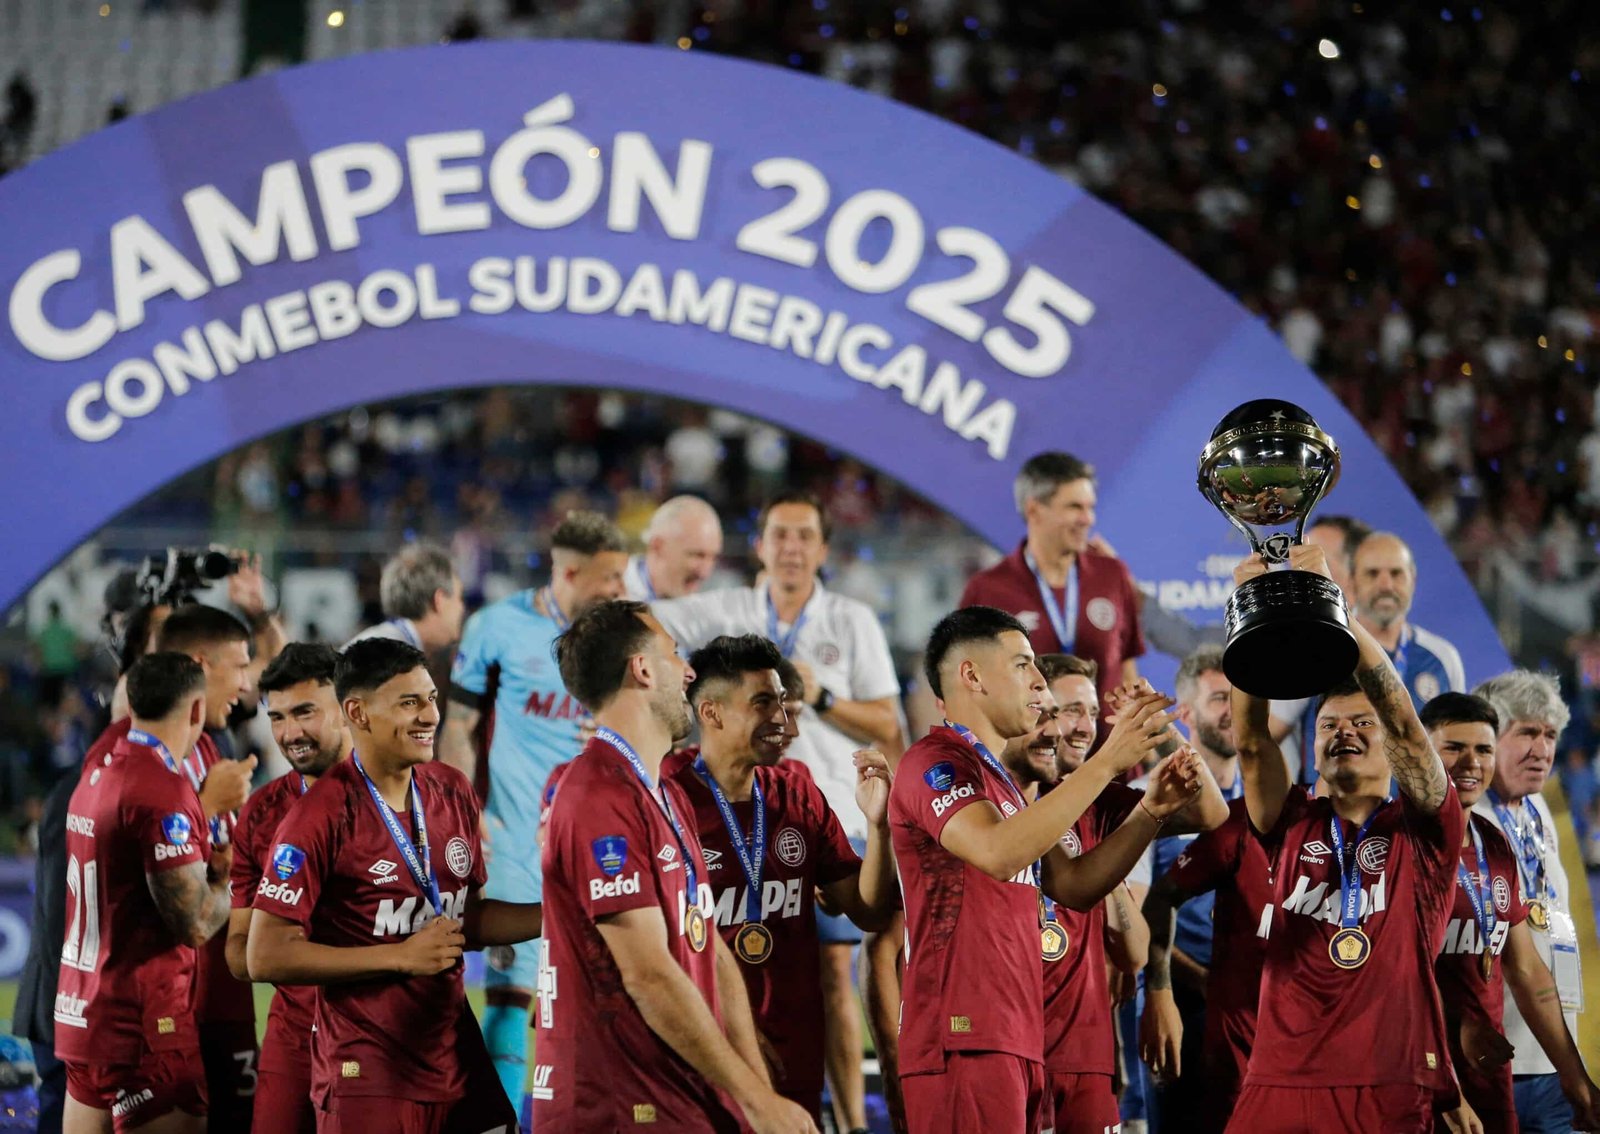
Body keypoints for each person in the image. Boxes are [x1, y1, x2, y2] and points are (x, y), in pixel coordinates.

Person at [889, 606, 1207, 1134]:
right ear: (972, 676)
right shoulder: (933, 761)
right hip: (961, 1036)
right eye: (1023, 664)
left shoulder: (1005, 785)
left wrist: (1150, 811)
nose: (1038, 680)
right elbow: (996, 852)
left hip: (1018, 1037)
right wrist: (1107, 761)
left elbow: (1074, 886)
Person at [652, 489, 902, 1134]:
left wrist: (878, 826)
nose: (786, 721)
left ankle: (853, 1121)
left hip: (795, 1050)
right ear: (710, 713)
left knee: (839, 973)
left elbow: (869, 910)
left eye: (786, 705)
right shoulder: (665, 795)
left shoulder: (798, 791)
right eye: (765, 705)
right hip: (703, 1059)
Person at [535, 599, 814, 1133]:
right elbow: (648, 974)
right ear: (642, 669)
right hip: (616, 1106)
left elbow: (710, 949)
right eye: (674, 654)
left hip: (675, 1099)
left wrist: (758, 1095)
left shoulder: (665, 793)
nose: (688, 672)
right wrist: (756, 1102)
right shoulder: (598, 795)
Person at [245, 638, 537, 1134]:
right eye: (409, 703)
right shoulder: (319, 817)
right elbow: (264, 954)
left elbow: (466, 919)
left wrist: (558, 913)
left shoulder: (451, 789)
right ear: (358, 713)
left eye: (431, 699)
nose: (430, 715)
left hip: (454, 1053)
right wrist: (399, 956)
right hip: (369, 1069)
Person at [1226, 543, 1463, 1133]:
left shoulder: (1426, 830)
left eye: (1361, 724)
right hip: (1278, 1078)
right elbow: (1251, 741)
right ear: (1312, 746)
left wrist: (1335, 608)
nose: (1344, 733)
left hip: (1388, 1080)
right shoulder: (1290, 818)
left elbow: (1404, 722)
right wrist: (1248, 610)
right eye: (1328, 724)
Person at [437, 509, 628, 1104]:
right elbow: (459, 727)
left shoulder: (625, 636)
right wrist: (464, 811)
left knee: (610, 996)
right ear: (568, 573)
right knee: (509, 995)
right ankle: (503, 1118)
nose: (619, 588)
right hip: (517, 839)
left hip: (601, 843)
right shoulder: (497, 627)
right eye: (609, 577)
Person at [1008, 656, 1228, 1134]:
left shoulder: (1100, 806)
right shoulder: (995, 803)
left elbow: (1209, 812)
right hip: (1007, 1049)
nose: (1084, 727)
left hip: (1084, 1055)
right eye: (1069, 710)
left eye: (1092, 712)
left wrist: (1158, 726)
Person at [57, 653, 230, 1134]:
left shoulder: (95, 774)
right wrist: (232, 878)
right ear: (196, 710)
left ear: (130, 704)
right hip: (146, 1026)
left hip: (83, 1017)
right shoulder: (161, 789)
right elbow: (196, 922)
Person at [1420, 692, 1600, 1133]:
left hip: (1492, 1076)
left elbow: (1526, 970)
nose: (1471, 763)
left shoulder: (1494, 844)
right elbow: (1388, 974)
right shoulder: (1395, 843)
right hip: (1419, 1079)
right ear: (1421, 752)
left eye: (1482, 749)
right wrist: (1456, 1028)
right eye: (1454, 748)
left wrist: (1575, 1077)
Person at [224, 644, 349, 1134]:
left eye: (304, 712)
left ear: (348, 708)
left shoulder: (407, 797)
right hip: (294, 1033)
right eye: (277, 717)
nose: (289, 733)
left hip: (377, 1032)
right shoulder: (261, 814)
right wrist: (272, 950)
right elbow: (240, 953)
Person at [151, 604, 262, 1132]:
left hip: (222, 987)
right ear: (201, 664)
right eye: (239, 667)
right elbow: (142, 866)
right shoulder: (145, 757)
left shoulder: (212, 747)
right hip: (170, 1003)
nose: (246, 683)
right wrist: (207, 805)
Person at [1471, 670, 1590, 1133]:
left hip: (1557, 1059)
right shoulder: (1465, 819)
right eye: (1526, 733)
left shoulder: (1538, 808)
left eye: (1550, 735)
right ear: (1489, 737)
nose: (1542, 749)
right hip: (1496, 1060)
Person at [1131, 645, 1242, 1124]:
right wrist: (1200, 980)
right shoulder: (1145, 798)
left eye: (1238, 697)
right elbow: (1136, 916)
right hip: (1178, 1005)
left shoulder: (1271, 799)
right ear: (1185, 714)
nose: (1232, 709)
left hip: (1252, 1012)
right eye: (1219, 698)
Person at [958, 451, 1145, 711]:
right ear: (1034, 510)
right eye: (1074, 507)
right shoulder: (987, 590)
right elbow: (969, 690)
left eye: (1090, 507)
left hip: (1108, 737)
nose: (1088, 519)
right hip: (1030, 737)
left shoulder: (1112, 575)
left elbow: (1127, 670)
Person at [1140, 796, 1273, 1133]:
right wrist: (1160, 991)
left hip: (1330, 1054)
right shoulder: (1242, 820)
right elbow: (1161, 897)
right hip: (1238, 1054)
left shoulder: (1387, 831)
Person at [1349, 532, 1466, 707]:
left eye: (1396, 573)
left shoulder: (1442, 657)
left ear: (1413, 581)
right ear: (1352, 582)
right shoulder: (1324, 651)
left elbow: (1458, 724)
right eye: (1372, 573)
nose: (1386, 585)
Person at [344, 542, 466, 654]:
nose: (462, 608)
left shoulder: (389, 643)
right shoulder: (384, 655)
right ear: (440, 600)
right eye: (459, 598)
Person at [626, 494, 726, 601]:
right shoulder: (616, 594)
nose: (705, 574)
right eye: (698, 555)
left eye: (714, 558)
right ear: (658, 547)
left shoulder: (709, 599)